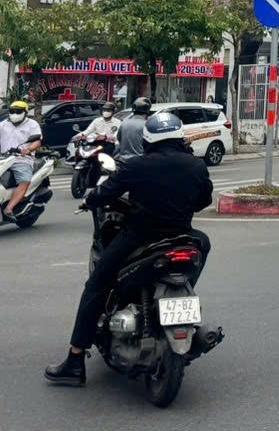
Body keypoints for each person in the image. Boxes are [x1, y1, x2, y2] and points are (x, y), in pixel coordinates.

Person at [44, 111, 213, 387]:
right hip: (181, 236)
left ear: (149, 139)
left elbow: (106, 193)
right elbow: (202, 199)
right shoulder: (196, 165)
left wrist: (91, 199)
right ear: (178, 137)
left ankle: (75, 360)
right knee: (203, 243)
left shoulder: (137, 166)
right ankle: (183, 293)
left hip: (140, 237)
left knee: (97, 284)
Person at [0, 100, 43, 221]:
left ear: (25, 112)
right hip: (3, 158)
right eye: (12, 111)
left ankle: (8, 209)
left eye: (18, 111)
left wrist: (28, 149)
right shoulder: (3, 124)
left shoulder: (32, 124)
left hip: (22, 159)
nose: (14, 114)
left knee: (24, 180)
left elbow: (37, 141)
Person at [114, 97, 153, 162]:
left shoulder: (124, 122)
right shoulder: (147, 125)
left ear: (133, 109)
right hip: (140, 161)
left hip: (123, 160)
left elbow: (119, 139)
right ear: (148, 111)